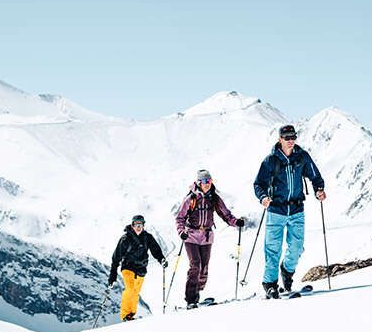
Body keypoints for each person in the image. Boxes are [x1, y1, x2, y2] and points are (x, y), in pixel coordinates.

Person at [253, 125, 326, 298]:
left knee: (297, 246)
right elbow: (258, 184)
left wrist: (319, 189)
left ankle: (287, 271)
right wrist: (263, 197)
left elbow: (315, 176)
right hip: (276, 210)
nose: (291, 140)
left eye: (293, 136)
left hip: (296, 209)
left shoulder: (302, 157)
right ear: (280, 139)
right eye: (287, 137)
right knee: (273, 249)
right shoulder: (270, 160)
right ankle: (270, 284)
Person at [175, 169, 245, 308]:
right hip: (191, 236)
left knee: (204, 267)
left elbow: (225, 214)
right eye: (204, 181)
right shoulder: (190, 198)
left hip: (206, 236)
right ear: (198, 182)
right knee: (195, 264)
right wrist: (181, 231)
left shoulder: (214, 198)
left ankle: (197, 292)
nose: (207, 184)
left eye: (209, 181)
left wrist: (236, 222)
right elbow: (180, 218)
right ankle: (191, 299)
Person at [108, 215, 167, 321]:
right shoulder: (125, 239)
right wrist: (112, 277)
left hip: (141, 269)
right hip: (128, 268)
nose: (138, 227)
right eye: (136, 224)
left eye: (140, 224)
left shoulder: (147, 237)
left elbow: (155, 250)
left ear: (143, 225)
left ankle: (131, 314)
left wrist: (161, 259)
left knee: (135, 293)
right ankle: (125, 315)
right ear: (132, 225)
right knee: (130, 289)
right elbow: (116, 258)